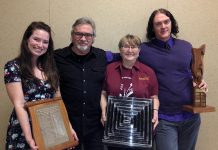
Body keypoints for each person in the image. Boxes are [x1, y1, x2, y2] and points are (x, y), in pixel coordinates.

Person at [139, 8, 208, 150]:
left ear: (172, 23)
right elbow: (125, 56)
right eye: (158, 24)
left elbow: (191, 73)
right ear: (153, 28)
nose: (163, 26)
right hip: (164, 119)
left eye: (166, 22)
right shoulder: (144, 50)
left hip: (191, 117)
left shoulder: (186, 46)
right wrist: (101, 56)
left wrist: (200, 83)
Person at [4, 21, 63, 149]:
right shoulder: (13, 67)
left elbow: (58, 102)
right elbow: (19, 104)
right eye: (36, 39)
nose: (40, 45)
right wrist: (29, 138)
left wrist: (67, 129)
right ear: (27, 39)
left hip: (48, 130)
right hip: (24, 130)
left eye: (45, 42)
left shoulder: (51, 68)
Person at [54, 17, 107, 150]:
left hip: (95, 126)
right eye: (79, 34)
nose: (83, 38)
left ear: (93, 38)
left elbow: (126, 55)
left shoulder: (102, 56)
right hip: (67, 125)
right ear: (72, 36)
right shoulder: (56, 57)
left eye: (88, 35)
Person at [100, 34, 160, 150]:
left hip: (141, 131)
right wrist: (103, 112)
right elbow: (103, 93)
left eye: (134, 47)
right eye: (125, 46)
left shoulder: (148, 72)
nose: (130, 50)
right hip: (115, 129)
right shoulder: (110, 69)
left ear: (139, 50)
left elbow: (154, 97)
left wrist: (155, 112)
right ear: (120, 50)